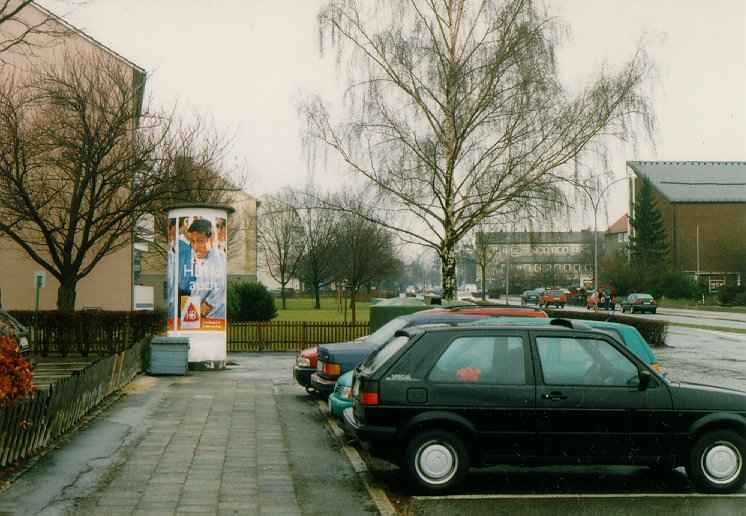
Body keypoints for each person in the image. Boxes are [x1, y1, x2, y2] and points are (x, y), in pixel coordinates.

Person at [187, 218, 227, 319]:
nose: (195, 247)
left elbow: (218, 292)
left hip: (210, 321)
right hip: (196, 318)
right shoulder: (197, 259)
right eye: (192, 241)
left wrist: (194, 314)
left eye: (200, 241)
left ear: (211, 239)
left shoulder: (219, 259)